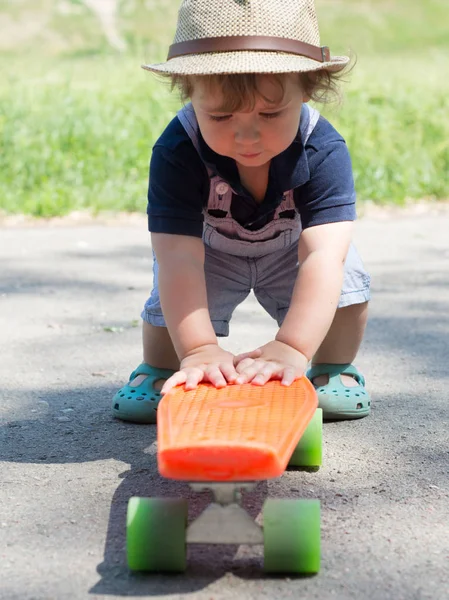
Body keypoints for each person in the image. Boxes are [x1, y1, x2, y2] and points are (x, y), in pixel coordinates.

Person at [112, 0, 371, 424]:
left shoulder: (322, 148)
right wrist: (198, 348)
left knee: (347, 288)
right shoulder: (178, 149)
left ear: (307, 88)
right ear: (187, 91)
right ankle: (159, 369)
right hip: (210, 251)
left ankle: (334, 367)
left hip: (294, 251)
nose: (247, 135)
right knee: (169, 307)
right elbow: (177, 256)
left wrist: (293, 346)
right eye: (220, 115)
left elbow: (324, 255)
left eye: (270, 113)